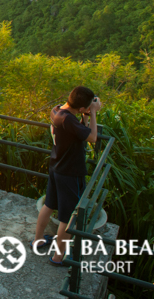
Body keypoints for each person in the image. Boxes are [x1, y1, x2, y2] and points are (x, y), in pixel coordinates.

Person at [32, 86, 102, 266]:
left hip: (56, 166)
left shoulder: (57, 111)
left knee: (49, 204)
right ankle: (58, 257)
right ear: (80, 108)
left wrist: (84, 115)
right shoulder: (68, 121)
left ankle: (37, 240)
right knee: (69, 216)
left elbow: (80, 131)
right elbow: (92, 137)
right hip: (70, 172)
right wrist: (93, 112)